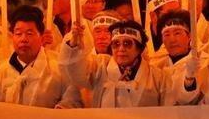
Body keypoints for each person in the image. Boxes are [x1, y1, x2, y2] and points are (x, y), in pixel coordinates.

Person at [60, 19, 201, 107]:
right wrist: (73, 45)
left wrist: (189, 79)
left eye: (127, 43)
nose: (121, 49)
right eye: (116, 44)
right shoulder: (100, 66)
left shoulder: (158, 77)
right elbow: (75, 75)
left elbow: (172, 108)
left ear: (139, 48)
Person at [0, 6, 76, 108]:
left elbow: (73, 99)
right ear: (12, 37)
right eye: (18, 33)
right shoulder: (2, 70)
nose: (23, 39)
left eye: (29, 33)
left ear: (41, 36)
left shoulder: (58, 68)